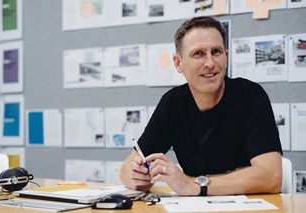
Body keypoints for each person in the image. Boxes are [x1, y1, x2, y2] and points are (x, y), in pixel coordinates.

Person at [120, 16, 283, 196]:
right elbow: (127, 169)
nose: (210, 63)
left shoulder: (250, 96)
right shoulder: (172, 103)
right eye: (198, 54)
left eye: (216, 52)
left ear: (226, 57)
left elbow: (271, 177)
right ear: (178, 63)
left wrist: (194, 185)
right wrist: (137, 177)